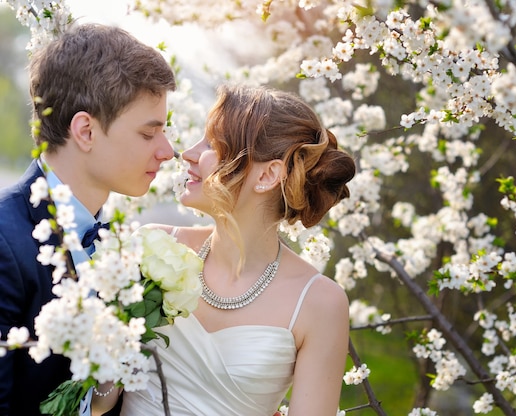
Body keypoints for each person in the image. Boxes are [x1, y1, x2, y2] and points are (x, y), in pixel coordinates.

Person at [92, 83, 356, 416]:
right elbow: (100, 404)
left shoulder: (320, 304)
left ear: (268, 175)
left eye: (210, 144)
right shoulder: (151, 247)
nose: (186, 153)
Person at [0, 23, 176, 416]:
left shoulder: (118, 244)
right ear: (85, 131)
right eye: (149, 134)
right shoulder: (5, 240)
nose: (167, 151)